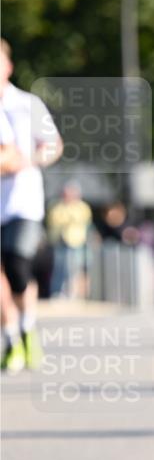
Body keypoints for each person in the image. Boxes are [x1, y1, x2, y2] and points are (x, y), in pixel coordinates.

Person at [0, 39, 63, 373]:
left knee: (16, 263)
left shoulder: (27, 104)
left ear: (8, 66)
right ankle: (10, 338)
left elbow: (53, 146)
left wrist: (29, 160)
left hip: (22, 202)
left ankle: (27, 329)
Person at [47, 181, 92, 298]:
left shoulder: (82, 207)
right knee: (59, 269)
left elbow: (83, 220)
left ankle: (72, 294)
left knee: (74, 269)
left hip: (76, 243)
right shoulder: (57, 206)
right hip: (60, 242)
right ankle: (58, 293)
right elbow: (55, 220)